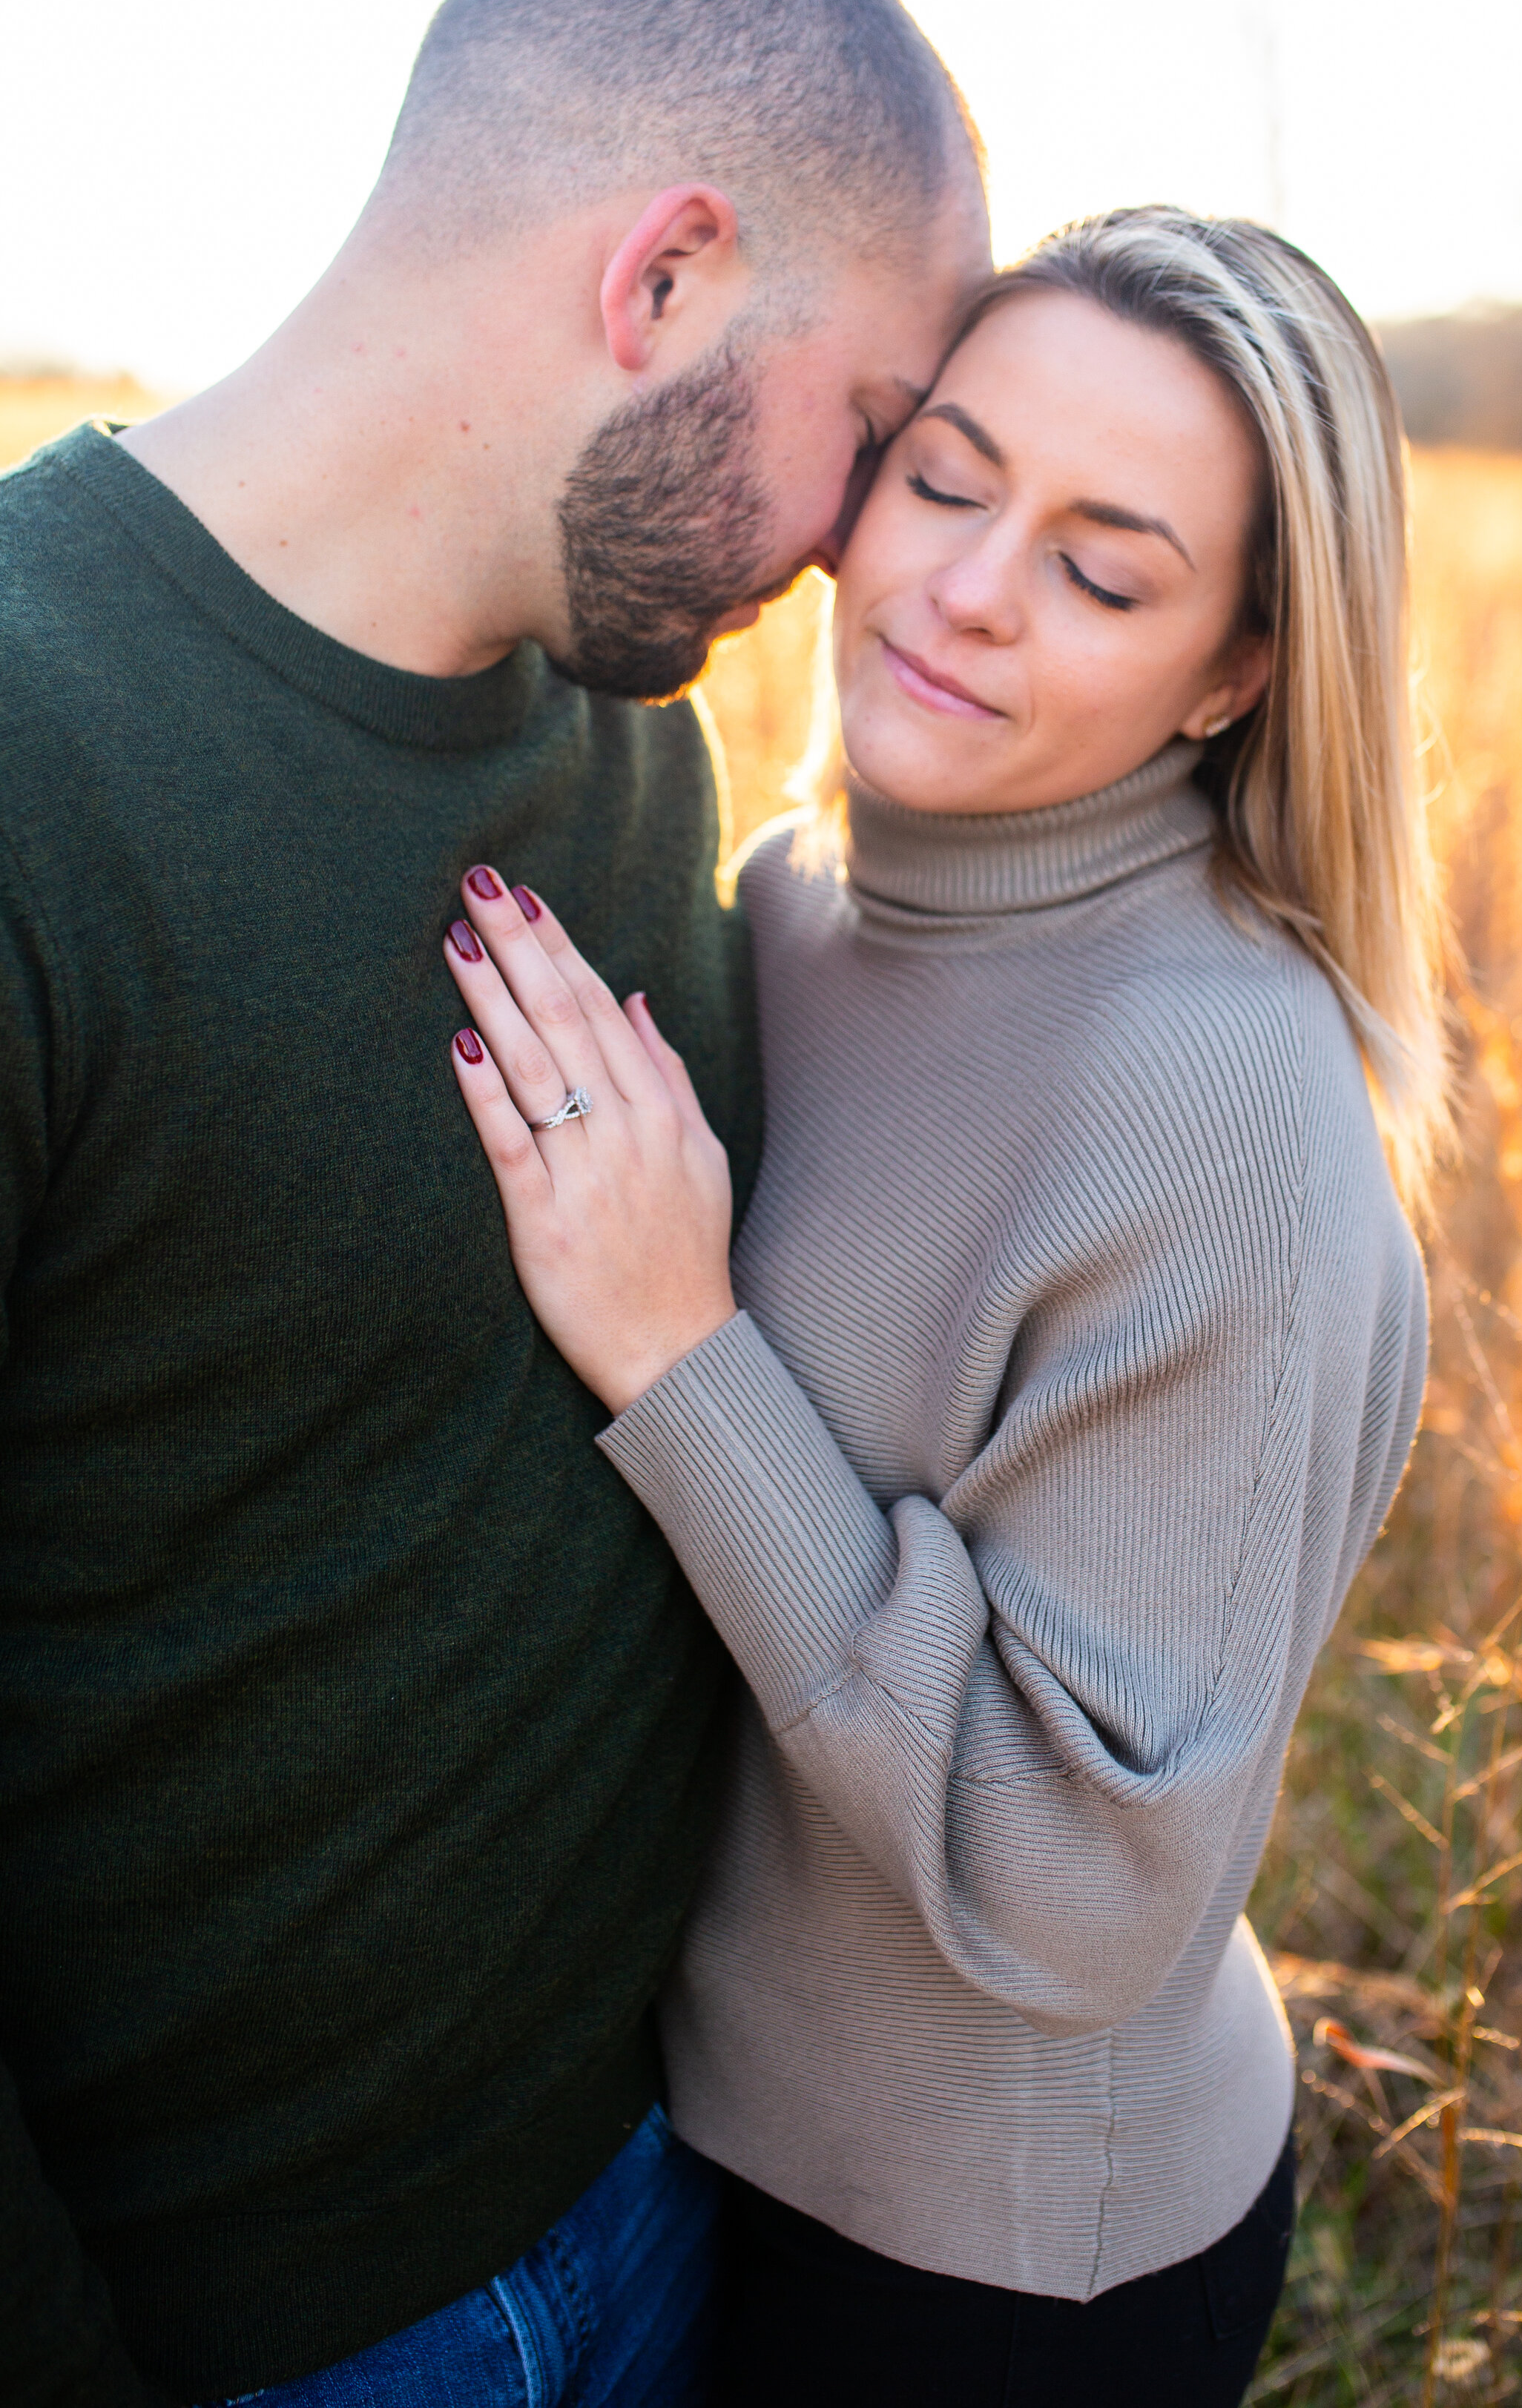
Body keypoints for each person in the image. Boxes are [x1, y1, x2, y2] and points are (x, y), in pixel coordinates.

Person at [0, 0, 986, 2407]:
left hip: (675, 2200)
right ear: (661, 281)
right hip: (251, 2335)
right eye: (873, 432)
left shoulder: (631, 725)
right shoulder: (26, 764)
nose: (868, 545)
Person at [436, 207, 1453, 2407]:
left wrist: (680, 1356)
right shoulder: (795, 904)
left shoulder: (1223, 1115)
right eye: (944, 476)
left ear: (1235, 671)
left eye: (1104, 570)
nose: (966, 592)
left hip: (984, 2266)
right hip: (687, 2140)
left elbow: (1079, 1893)